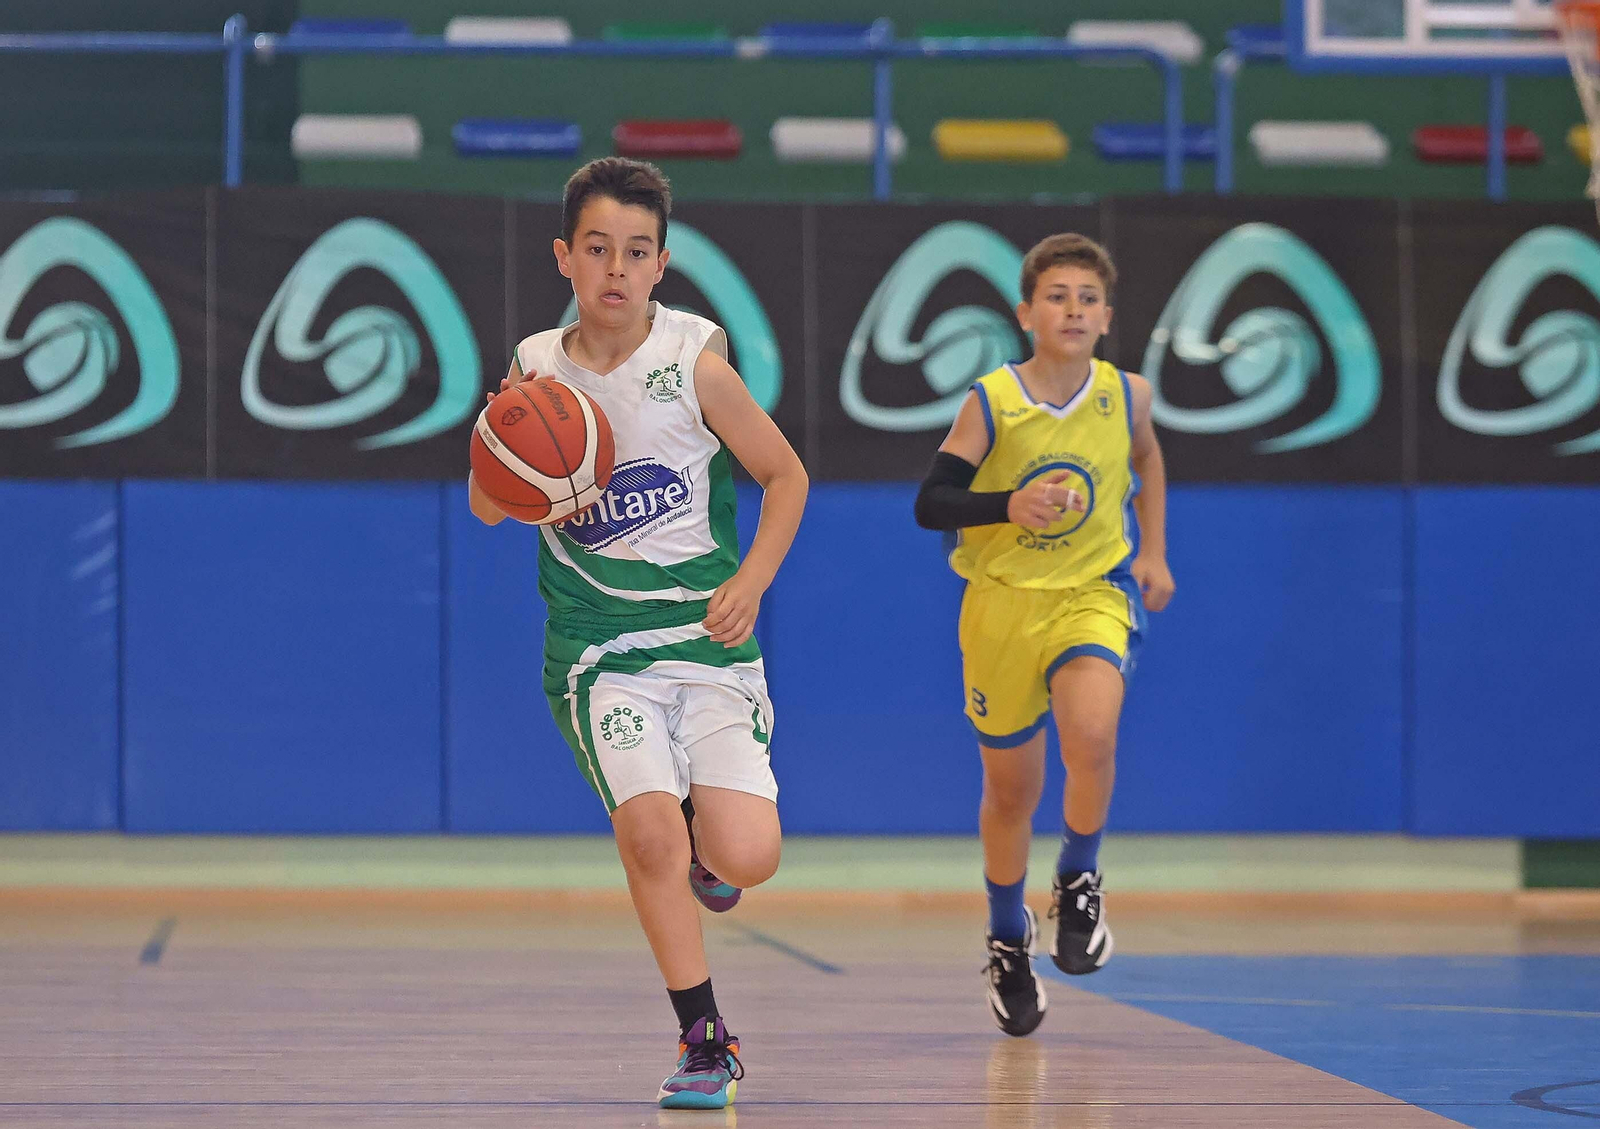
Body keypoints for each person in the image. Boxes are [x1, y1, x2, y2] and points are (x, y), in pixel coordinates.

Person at [469, 157, 808, 1107]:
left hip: (706, 637)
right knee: (648, 836)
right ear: (564, 258)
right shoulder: (535, 372)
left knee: (749, 855)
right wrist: (511, 458)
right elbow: (484, 506)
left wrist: (752, 579)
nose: (616, 268)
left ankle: (714, 845)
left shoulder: (693, 362)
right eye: (597, 249)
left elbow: (788, 478)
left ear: (661, 265)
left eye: (637, 251)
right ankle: (704, 1037)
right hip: (596, 647)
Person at [912, 232, 1174, 1037]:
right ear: (1027, 313)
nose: (1074, 309)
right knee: (1011, 791)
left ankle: (1080, 878)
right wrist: (1008, 505)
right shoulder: (993, 400)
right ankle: (1006, 934)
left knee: (1092, 730)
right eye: (1057, 295)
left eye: (1088, 298)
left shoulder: (1127, 394)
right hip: (1001, 605)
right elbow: (931, 502)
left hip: (1091, 593)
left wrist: (1154, 550)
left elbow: (1147, 459)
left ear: (1106, 316)